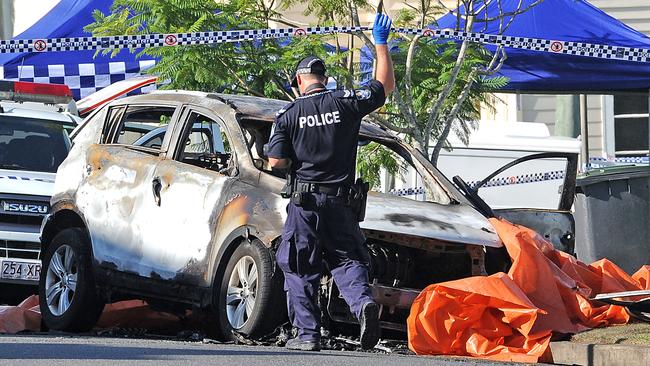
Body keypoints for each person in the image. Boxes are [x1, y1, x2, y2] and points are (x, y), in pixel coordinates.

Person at [265, 13, 395, 352]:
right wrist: (380, 42)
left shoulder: (287, 115)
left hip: (305, 204)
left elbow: (276, 161)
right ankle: (362, 303)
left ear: (298, 81)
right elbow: (384, 87)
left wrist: (294, 159)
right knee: (347, 258)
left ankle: (307, 336)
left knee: (298, 266)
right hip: (341, 201)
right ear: (325, 78)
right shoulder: (344, 102)